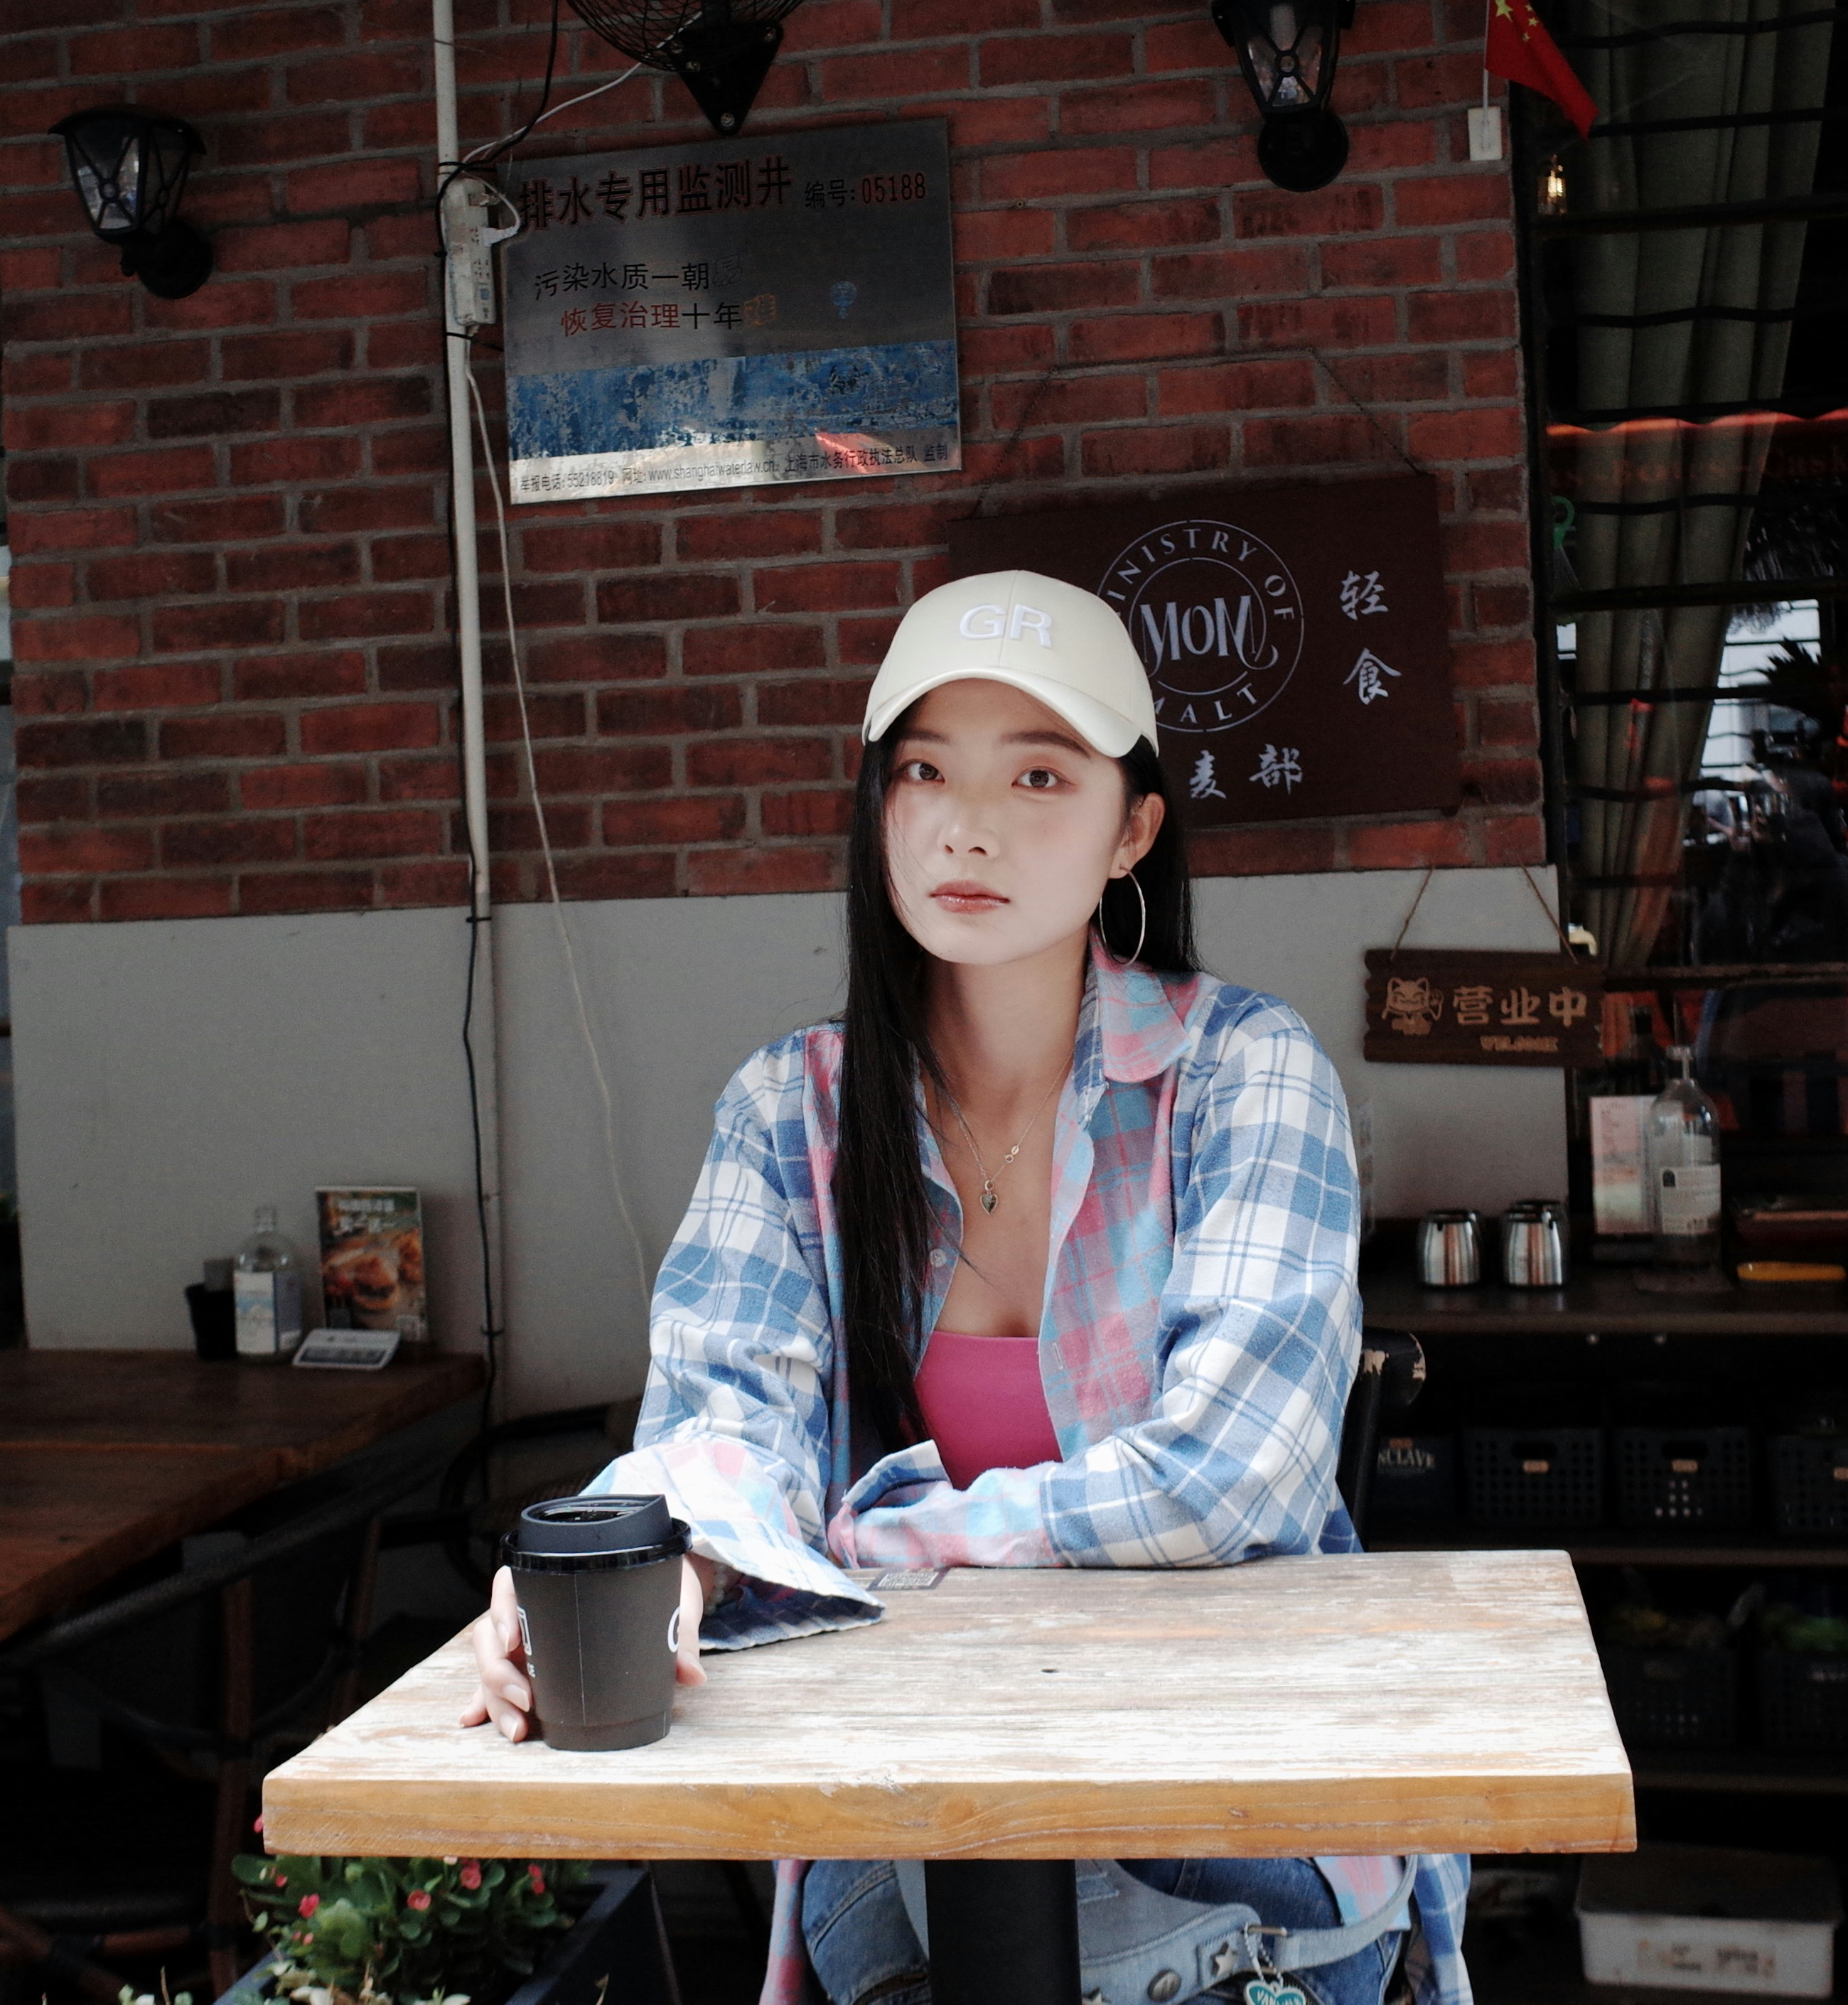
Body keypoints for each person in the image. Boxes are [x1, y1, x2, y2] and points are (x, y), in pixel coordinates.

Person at [458, 571, 1467, 2005]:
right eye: (921, 770)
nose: (967, 824)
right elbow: (723, 1420)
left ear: (1132, 828)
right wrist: (642, 1565)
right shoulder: (790, 1108)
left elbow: (1229, 1480)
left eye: (1038, 774)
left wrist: (889, 1538)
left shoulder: (1242, 1075)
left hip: (1220, 1822)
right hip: (917, 1812)